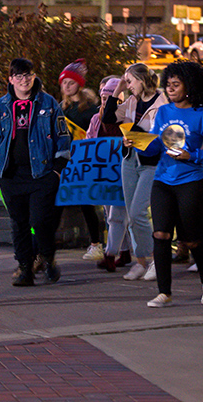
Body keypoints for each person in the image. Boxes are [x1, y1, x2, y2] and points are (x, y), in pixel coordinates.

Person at [131, 61, 203, 307]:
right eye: (168, 84)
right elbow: (155, 144)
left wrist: (192, 156)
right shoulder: (163, 112)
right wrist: (137, 141)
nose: (170, 89)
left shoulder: (202, 115)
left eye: (176, 84)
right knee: (160, 234)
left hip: (191, 181)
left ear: (189, 87)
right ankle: (165, 292)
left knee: (191, 238)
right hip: (162, 179)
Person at [0, 58, 71, 286]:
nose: (24, 80)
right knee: (19, 223)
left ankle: (47, 258)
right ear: (11, 79)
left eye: (28, 75)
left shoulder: (48, 103)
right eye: (19, 76)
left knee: (40, 221)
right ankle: (25, 268)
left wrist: (57, 170)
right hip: (11, 176)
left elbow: (63, 136)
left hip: (42, 174)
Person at [103, 63, 168, 280]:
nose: (128, 86)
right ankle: (141, 262)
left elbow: (167, 137)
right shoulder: (131, 101)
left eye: (130, 81)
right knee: (131, 214)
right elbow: (109, 118)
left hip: (151, 162)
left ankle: (156, 260)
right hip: (130, 160)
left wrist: (138, 136)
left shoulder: (162, 103)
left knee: (139, 212)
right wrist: (117, 89)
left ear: (142, 80)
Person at [58, 59, 104, 262]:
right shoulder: (61, 107)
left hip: (84, 160)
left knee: (87, 203)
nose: (66, 86)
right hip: (65, 160)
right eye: (63, 83)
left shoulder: (89, 108)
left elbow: (96, 134)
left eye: (71, 82)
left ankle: (96, 244)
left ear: (80, 83)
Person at [86, 76, 130, 273]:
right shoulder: (96, 119)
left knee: (117, 214)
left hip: (122, 170)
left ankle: (110, 254)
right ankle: (124, 250)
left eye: (110, 98)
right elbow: (89, 140)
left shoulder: (127, 119)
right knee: (110, 212)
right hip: (104, 171)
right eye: (103, 97)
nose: (105, 101)